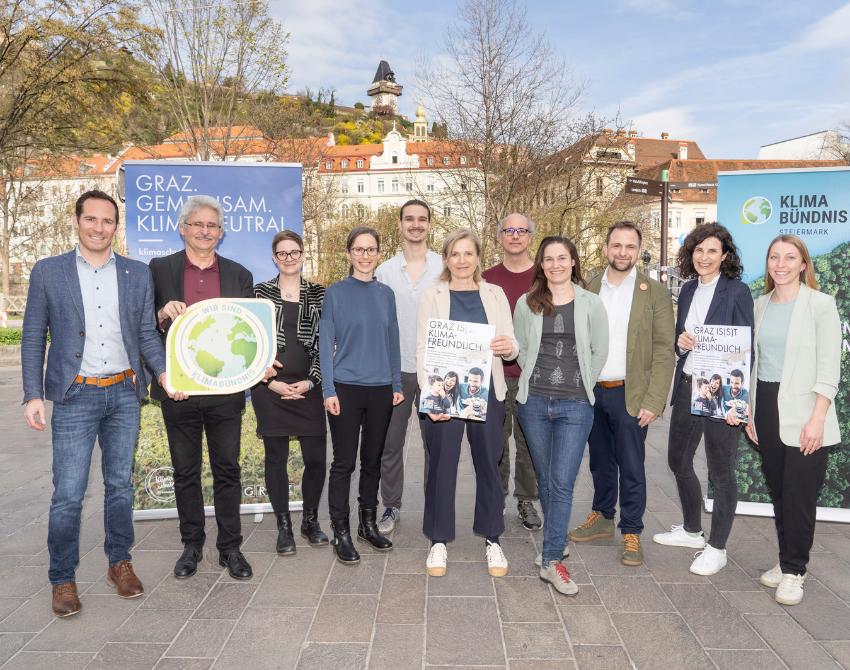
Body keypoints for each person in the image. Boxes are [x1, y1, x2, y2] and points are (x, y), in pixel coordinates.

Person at [21, 190, 184, 617]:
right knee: (68, 495)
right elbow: (34, 335)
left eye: (107, 221)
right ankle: (63, 579)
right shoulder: (48, 272)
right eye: (91, 219)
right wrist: (33, 394)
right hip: (75, 395)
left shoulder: (136, 273)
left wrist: (165, 373)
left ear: (117, 226)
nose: (99, 227)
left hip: (125, 393)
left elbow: (147, 334)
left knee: (119, 487)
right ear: (76, 221)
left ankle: (119, 562)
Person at [149, 195, 255, 581]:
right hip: (179, 390)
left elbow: (250, 331)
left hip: (226, 391)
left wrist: (259, 363)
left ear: (221, 233)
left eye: (212, 226)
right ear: (183, 228)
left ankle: (231, 548)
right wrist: (162, 312)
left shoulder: (240, 275)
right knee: (185, 472)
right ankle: (191, 546)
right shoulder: (160, 269)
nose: (205, 231)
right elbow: (143, 323)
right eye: (198, 224)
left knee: (228, 469)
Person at [569, 221, 675, 568]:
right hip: (594, 392)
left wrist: (654, 399)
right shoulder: (589, 287)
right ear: (605, 248)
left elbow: (663, 349)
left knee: (631, 465)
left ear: (639, 250)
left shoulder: (653, 291)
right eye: (617, 245)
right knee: (599, 460)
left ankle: (632, 530)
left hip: (632, 393)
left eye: (630, 247)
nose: (623, 252)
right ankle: (602, 516)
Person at [745, 235, 841, 606]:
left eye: (789, 257)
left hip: (806, 409)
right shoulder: (759, 305)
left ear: (803, 264)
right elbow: (752, 365)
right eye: (774, 257)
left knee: (799, 497)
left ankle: (795, 571)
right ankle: (786, 561)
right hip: (766, 406)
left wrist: (817, 420)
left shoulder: (820, 305)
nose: (780, 264)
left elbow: (829, 368)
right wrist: (750, 409)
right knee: (781, 492)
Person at [653, 223, 754, 576]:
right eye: (698, 250)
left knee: (720, 469)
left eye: (712, 250)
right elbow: (681, 339)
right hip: (687, 384)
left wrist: (738, 402)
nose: (704, 257)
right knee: (677, 460)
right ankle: (693, 531)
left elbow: (746, 349)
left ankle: (718, 547)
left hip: (722, 391)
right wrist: (680, 343)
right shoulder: (688, 290)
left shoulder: (737, 292)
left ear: (724, 255)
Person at [417, 229, 518, 578]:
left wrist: (509, 348)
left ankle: (493, 539)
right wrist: (430, 396)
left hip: (486, 393)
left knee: (489, 465)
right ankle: (438, 540)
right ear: (446, 259)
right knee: (442, 465)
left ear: (477, 257)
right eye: (455, 254)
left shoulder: (495, 294)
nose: (462, 260)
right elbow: (422, 348)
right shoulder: (433, 294)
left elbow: (511, 341)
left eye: (468, 254)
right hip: (443, 394)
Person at [514, 236, 608, 596]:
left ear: (573, 262)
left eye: (562, 258)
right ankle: (556, 539)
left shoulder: (590, 303)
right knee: (547, 477)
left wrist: (582, 382)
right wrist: (533, 376)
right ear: (541, 264)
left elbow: (599, 350)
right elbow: (522, 349)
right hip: (534, 403)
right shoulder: (527, 303)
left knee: (563, 481)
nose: (555, 264)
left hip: (575, 405)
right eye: (548, 259)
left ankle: (551, 559)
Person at [320, 226, 404, 564]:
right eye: (359, 249)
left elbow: (393, 341)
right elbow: (325, 345)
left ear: (379, 253)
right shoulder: (336, 293)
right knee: (343, 462)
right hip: (345, 388)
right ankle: (340, 528)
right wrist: (328, 389)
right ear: (348, 253)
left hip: (381, 388)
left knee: (372, 461)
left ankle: (368, 523)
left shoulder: (386, 294)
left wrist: (396, 384)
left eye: (371, 249)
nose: (365, 255)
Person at [251, 230, 328, 555]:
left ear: (302, 253)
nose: (289, 258)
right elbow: (249, 345)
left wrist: (312, 381)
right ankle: (284, 527)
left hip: (310, 388)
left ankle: (309, 520)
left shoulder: (320, 294)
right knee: (276, 459)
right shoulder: (258, 294)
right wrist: (271, 382)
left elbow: (328, 344)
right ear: (274, 257)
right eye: (282, 253)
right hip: (270, 389)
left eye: (294, 252)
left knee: (316, 459)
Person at [374, 200, 442, 533]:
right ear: (399, 224)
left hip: (437, 370)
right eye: (409, 219)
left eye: (422, 219)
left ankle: (435, 507)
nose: (416, 225)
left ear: (430, 224)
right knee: (390, 442)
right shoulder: (385, 270)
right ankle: (391, 505)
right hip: (396, 369)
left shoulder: (445, 266)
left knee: (437, 444)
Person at [482, 213, 541, 531]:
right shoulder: (486, 278)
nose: (515, 236)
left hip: (533, 375)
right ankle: (495, 499)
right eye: (509, 230)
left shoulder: (543, 276)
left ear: (531, 236)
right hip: (494, 375)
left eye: (521, 231)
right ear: (499, 236)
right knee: (495, 442)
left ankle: (527, 500)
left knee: (530, 443)